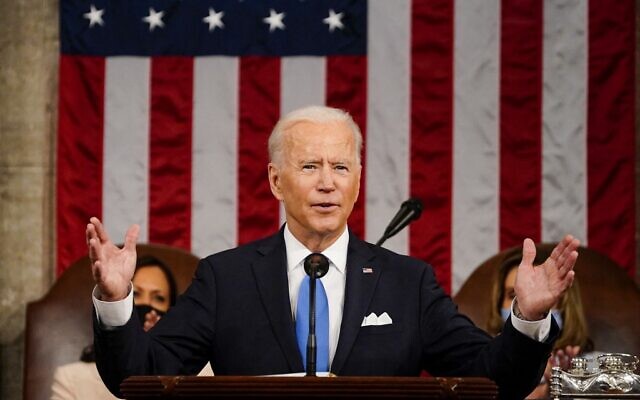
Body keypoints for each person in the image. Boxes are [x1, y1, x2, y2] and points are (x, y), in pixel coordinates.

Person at [87, 105, 580, 400]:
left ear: (359, 180)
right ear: (276, 180)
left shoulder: (407, 283)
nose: (327, 183)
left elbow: (493, 382)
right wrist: (115, 300)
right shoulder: (226, 278)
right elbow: (141, 378)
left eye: (341, 167)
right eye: (309, 166)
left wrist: (528, 320)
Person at [51, 256, 212, 400]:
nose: (147, 305)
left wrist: (160, 358)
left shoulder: (200, 377)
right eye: (135, 295)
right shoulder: (71, 378)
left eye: (159, 298)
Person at [486, 247, 592, 399]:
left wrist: (573, 388)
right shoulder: (485, 364)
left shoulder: (598, 367)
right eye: (512, 295)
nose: (525, 304)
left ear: (565, 304)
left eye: (537, 294)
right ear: (498, 304)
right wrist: (543, 393)